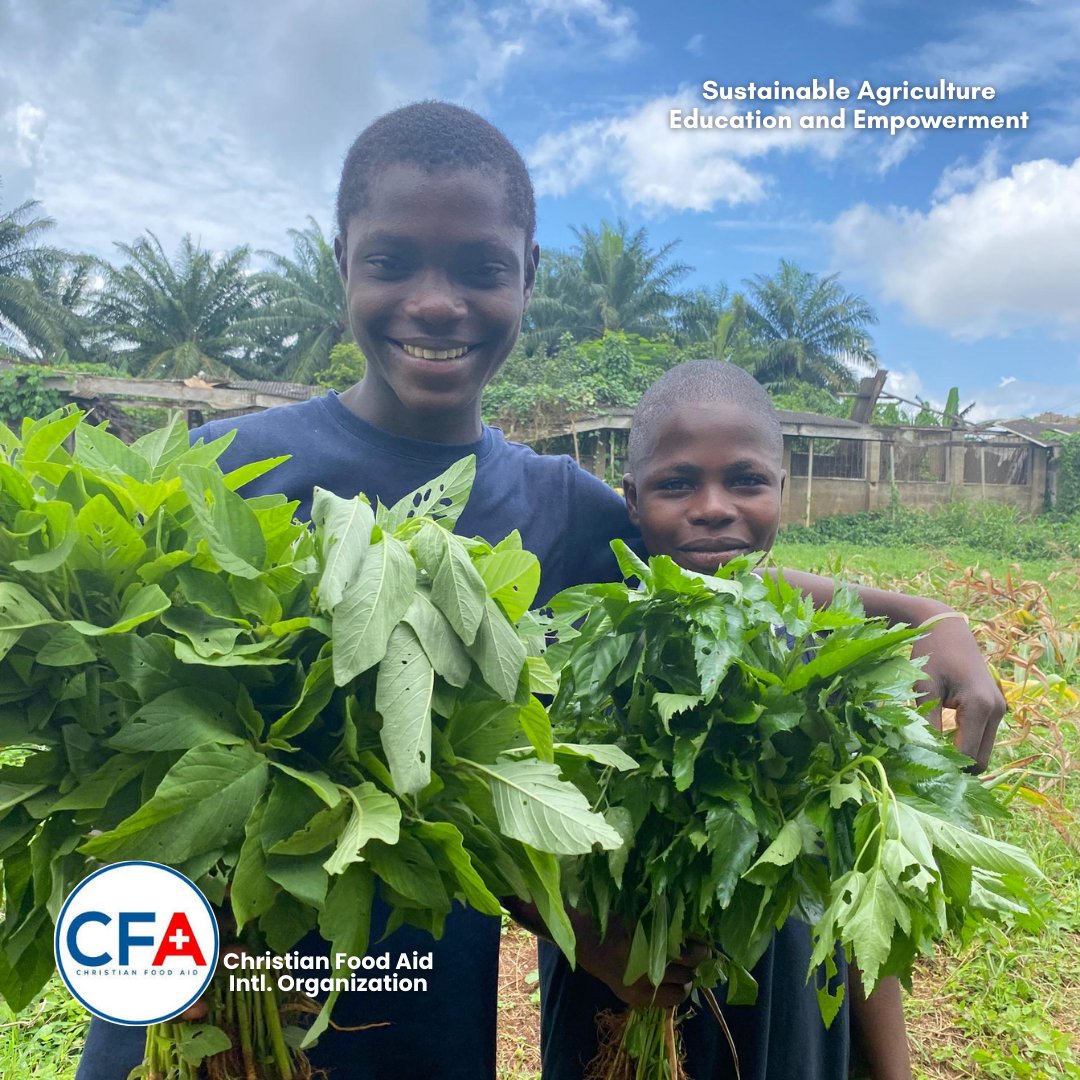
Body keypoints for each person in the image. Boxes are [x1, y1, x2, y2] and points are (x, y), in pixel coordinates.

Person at [75, 101, 1001, 1079]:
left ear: (529, 276)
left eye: (478, 267)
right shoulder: (219, 470)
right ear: (341, 260)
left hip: (416, 1012)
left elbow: (730, 588)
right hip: (195, 996)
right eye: (394, 261)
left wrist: (930, 618)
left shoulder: (561, 511)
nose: (436, 303)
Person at [537, 359, 913, 1080]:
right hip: (613, 989)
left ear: (782, 492)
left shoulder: (827, 658)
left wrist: (895, 1071)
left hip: (788, 1000)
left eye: (746, 480)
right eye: (678, 483)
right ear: (633, 502)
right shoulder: (580, 655)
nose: (713, 506)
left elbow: (861, 889)